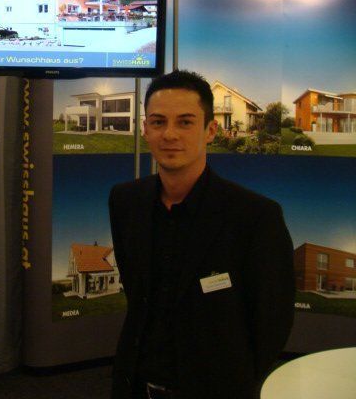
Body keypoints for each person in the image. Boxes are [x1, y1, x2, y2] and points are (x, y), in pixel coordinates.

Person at [109, 70, 295, 399]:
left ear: (210, 131)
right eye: (158, 122)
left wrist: (233, 382)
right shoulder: (125, 201)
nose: (169, 134)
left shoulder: (255, 217)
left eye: (185, 122)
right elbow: (137, 294)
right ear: (145, 129)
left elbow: (272, 322)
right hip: (134, 386)